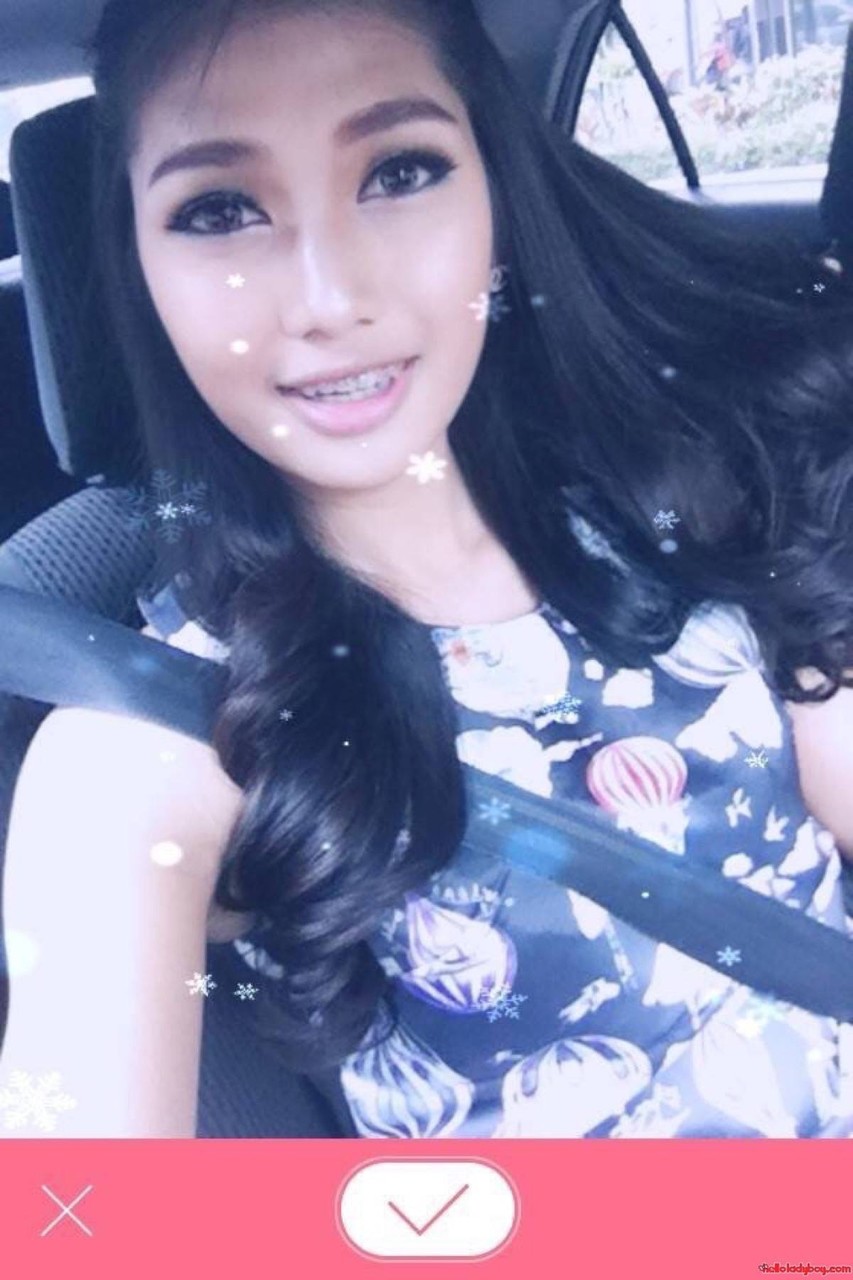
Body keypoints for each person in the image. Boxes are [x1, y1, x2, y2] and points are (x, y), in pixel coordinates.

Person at [3, 0, 853, 1138]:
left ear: (496, 201)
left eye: (400, 172)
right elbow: (79, 1210)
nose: (329, 297)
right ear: (140, 273)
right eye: (218, 210)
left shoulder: (681, 513)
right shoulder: (146, 751)